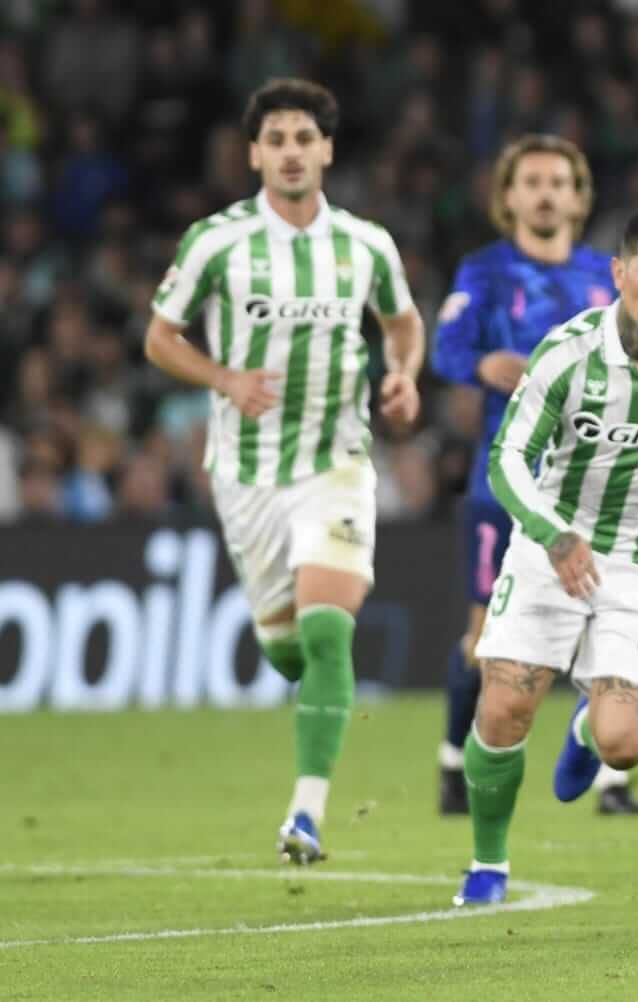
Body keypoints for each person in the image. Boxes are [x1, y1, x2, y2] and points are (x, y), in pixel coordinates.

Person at [143, 78, 424, 864]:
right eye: (277, 140)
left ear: (327, 150)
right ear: (254, 155)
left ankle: (305, 815)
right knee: (288, 653)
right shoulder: (216, 240)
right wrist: (225, 379)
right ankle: (309, 698)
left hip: (337, 462)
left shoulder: (365, 243)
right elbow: (160, 337)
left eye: (305, 137)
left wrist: (404, 375)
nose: (292, 152)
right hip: (245, 474)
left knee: (330, 631)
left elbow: (403, 324)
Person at [452, 209, 638, 906]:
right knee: (502, 710)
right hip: (554, 543)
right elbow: (507, 458)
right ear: (618, 274)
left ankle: (589, 726)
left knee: (625, 744)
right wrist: (551, 532)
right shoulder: (567, 353)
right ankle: (488, 865)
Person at [429, 135, 638, 817]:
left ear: (579, 197)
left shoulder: (600, 278)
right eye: (533, 182)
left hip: (597, 484)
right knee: (483, 637)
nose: (547, 192)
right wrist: (483, 364)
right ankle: (454, 762)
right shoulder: (485, 273)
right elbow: (446, 348)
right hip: (508, 486)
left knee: (606, 624)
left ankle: (611, 780)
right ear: (509, 197)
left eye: (560, 181)